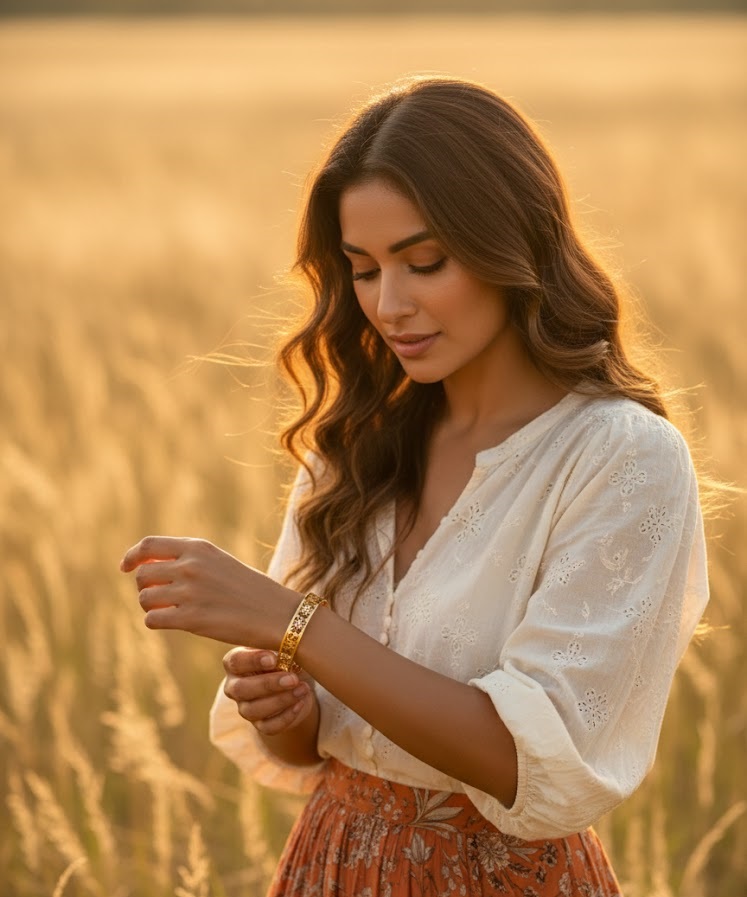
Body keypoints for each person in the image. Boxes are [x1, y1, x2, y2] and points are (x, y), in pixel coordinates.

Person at [120, 77, 709, 896]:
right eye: (361, 271)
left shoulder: (619, 458)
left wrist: (293, 621)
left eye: (423, 262)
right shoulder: (354, 445)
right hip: (328, 863)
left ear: (514, 245)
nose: (389, 305)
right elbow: (317, 748)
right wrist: (293, 711)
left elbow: (525, 763)